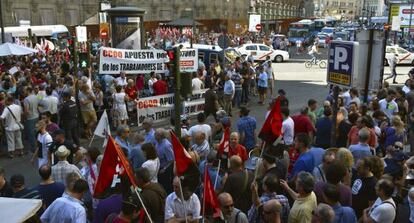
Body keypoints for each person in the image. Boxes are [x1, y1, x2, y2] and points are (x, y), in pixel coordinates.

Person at [23, 86, 40, 153]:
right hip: (37, 116)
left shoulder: (26, 99)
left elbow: (26, 111)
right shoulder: (36, 96)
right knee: (36, 133)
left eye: (25, 91)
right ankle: (38, 147)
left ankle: (33, 149)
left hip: (30, 118)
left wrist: (23, 116)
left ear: (28, 91)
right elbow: (41, 101)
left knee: (31, 134)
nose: (24, 92)